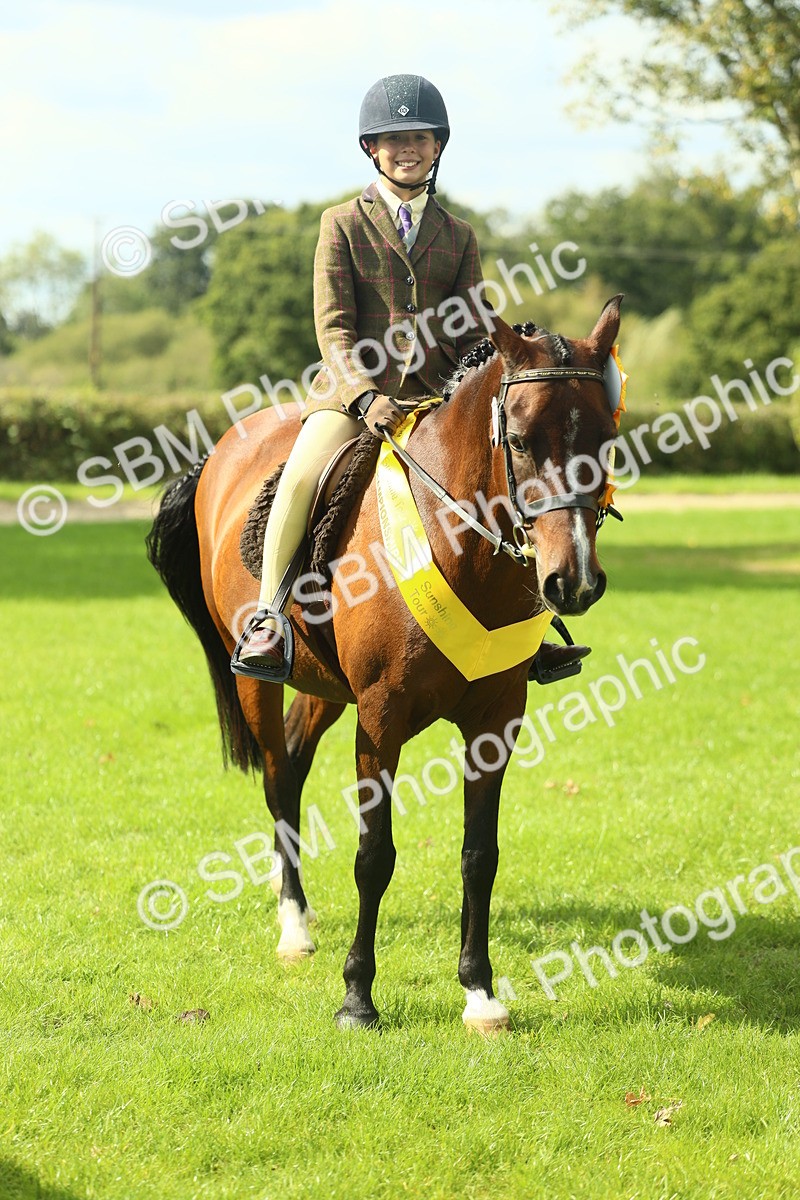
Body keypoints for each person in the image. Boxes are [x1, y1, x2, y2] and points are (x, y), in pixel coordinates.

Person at [231, 73, 589, 686]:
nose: (407, 149)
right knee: (302, 473)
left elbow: (474, 326)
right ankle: (268, 617)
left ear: (437, 146)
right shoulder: (339, 223)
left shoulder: (458, 235)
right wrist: (366, 396)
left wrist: (508, 355)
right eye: (394, 139)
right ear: (372, 148)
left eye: (419, 138)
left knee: (509, 477)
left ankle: (527, 630)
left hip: (436, 397)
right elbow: (334, 327)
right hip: (352, 397)